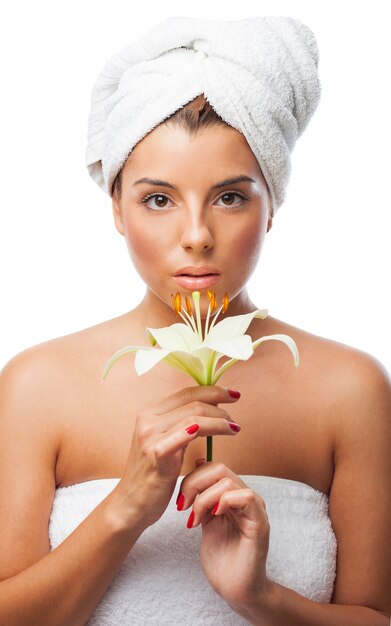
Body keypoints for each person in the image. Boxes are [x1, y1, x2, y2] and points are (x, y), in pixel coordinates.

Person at [0, 14, 390, 626]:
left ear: (272, 206)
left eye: (230, 196)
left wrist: (259, 596)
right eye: (158, 199)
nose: (197, 237)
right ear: (117, 209)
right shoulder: (37, 385)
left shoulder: (351, 388)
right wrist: (125, 508)